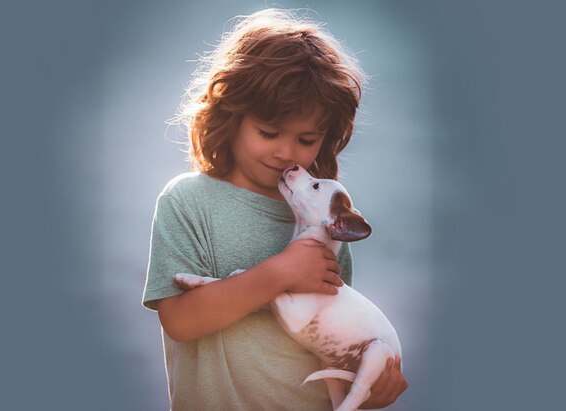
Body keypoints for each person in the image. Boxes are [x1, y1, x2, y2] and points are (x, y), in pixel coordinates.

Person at [142, 8, 408, 410]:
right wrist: (279, 272)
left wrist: (368, 392)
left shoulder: (325, 224)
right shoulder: (187, 202)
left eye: (306, 139)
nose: (286, 153)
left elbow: (332, 342)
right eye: (268, 133)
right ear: (229, 117)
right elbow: (180, 321)